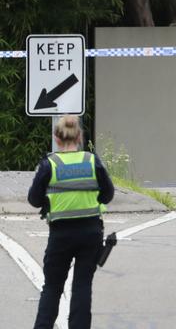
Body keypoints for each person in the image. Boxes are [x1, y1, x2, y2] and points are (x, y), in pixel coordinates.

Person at [28, 115, 114, 329]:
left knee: (52, 287)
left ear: (56, 138)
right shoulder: (92, 161)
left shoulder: (50, 164)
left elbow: (33, 199)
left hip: (60, 235)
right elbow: (108, 195)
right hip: (90, 232)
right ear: (80, 137)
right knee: (82, 286)